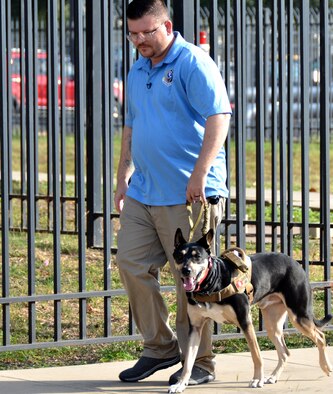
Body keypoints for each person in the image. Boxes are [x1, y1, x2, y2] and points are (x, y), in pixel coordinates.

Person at [114, 0, 232, 387]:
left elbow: (219, 117)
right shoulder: (137, 69)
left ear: (166, 25)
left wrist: (200, 174)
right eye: (133, 33)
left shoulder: (192, 62)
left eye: (147, 31)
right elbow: (132, 127)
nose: (139, 40)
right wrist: (122, 178)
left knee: (193, 281)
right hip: (144, 191)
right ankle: (160, 348)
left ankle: (200, 363)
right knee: (131, 263)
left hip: (189, 193)